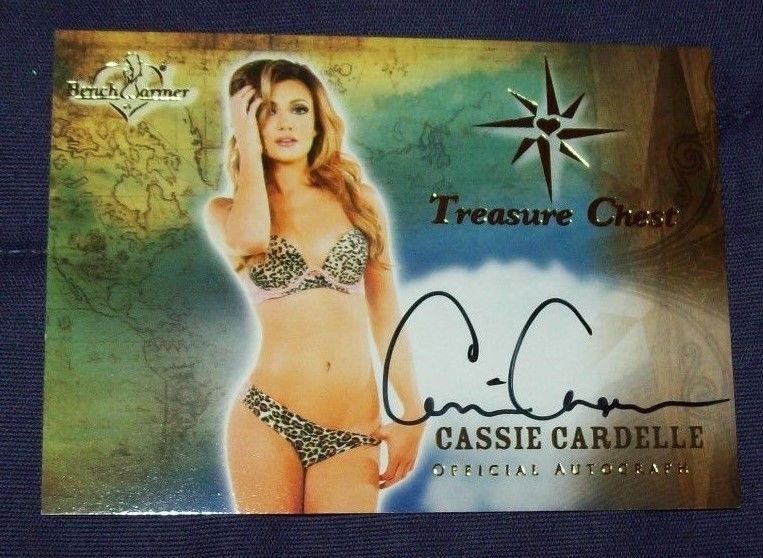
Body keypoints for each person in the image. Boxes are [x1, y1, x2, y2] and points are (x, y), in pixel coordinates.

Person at [205, 59, 424, 513]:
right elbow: (251, 239)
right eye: (267, 111)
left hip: (353, 428)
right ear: (247, 123)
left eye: (298, 109)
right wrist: (248, 147)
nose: (285, 123)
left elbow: (386, 313)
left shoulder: (359, 200)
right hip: (268, 418)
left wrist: (412, 410)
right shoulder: (226, 211)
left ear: (318, 119)